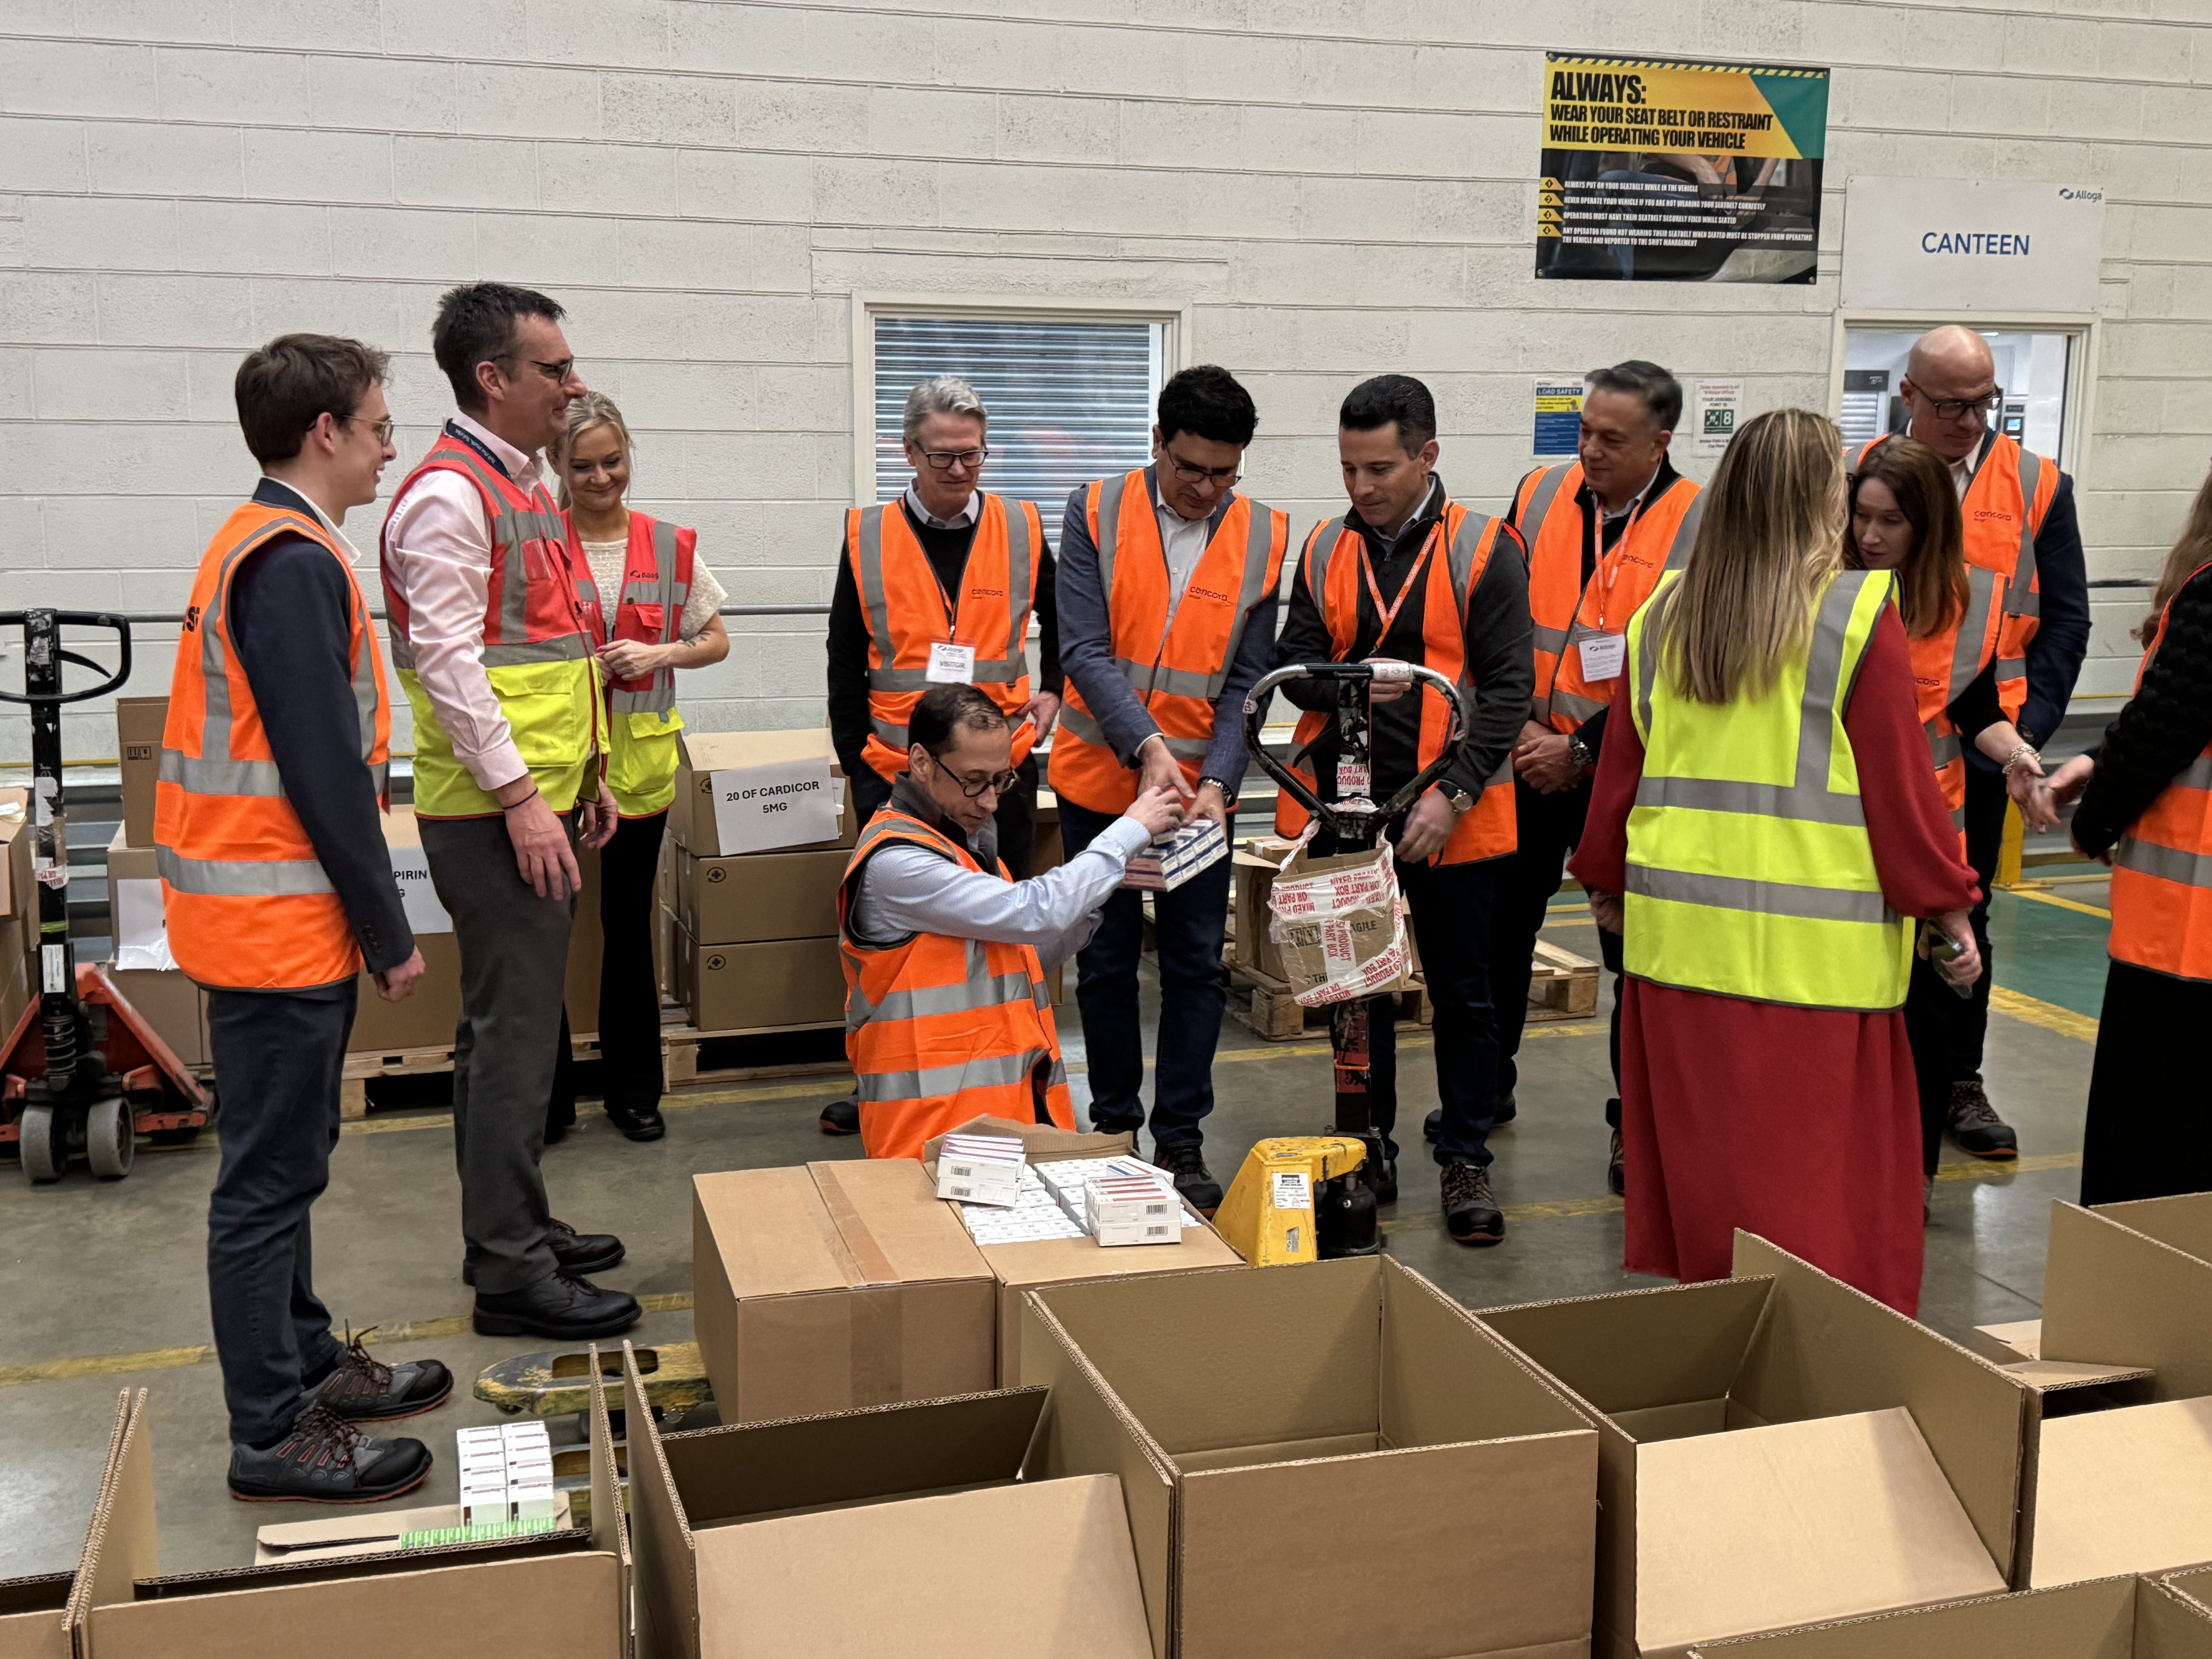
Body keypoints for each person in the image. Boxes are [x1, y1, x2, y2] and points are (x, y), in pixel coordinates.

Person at [1571, 409, 1982, 1316]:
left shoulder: (1662, 615)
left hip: (1679, 961)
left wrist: (1605, 881)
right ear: (1820, 499)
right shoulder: (1850, 615)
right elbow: (1900, 795)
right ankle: (1813, 1386)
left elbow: (1619, 779)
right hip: (1818, 975)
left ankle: (1724, 1355)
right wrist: (1948, 909)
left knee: (1713, 1187)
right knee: (1815, 1207)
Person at [158, 333, 447, 1502]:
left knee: (289, 1163)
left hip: (266, 917)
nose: (389, 448)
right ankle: (271, 1432)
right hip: (275, 924)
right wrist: (389, 931)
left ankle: (308, 1357)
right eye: (380, 428)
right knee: (267, 1181)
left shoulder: (266, 541)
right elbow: (326, 770)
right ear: (324, 433)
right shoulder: (288, 561)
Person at [380, 283, 638, 1342]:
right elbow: (449, 666)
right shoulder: (451, 496)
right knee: (511, 1034)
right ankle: (509, 1269)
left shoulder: (520, 480)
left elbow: (552, 646)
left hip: (535, 799)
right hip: (490, 815)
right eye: (554, 369)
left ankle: (519, 1223)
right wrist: (526, 799)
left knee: (529, 1036)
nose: (573, 386)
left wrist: (589, 772)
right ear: (492, 378)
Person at [1274, 374, 1533, 1246]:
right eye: (1348, 468)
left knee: (1465, 993)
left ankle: (1465, 1157)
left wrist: (1453, 792)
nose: (1361, 488)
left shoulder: (1487, 549)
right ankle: (1362, 1143)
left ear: (1428, 455)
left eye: (1379, 468)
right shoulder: (1321, 550)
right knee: (1357, 993)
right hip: (1348, 813)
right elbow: (1298, 661)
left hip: (1455, 815)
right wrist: (1361, 682)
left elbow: (1507, 689)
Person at [1050, 365, 1288, 1214]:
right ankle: (1113, 1127)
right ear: (1157, 443)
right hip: (1099, 780)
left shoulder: (1265, 533)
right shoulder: (1095, 510)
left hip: (1200, 807)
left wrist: (1220, 780)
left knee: (1195, 966)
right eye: (1190, 467)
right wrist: (1147, 748)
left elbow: (1247, 681)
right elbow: (1082, 648)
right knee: (1108, 962)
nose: (1206, 488)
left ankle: (1181, 1137)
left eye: (1225, 472)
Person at [1850, 325, 2090, 1162]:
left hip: (1983, 750)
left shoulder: (2036, 484)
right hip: (1874, 758)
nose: (1970, 420)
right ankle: (1879, 1083)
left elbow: (2066, 619)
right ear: (1908, 395)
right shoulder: (1862, 478)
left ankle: (1958, 1077)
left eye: (1984, 404)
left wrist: (2026, 739)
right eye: (1951, 404)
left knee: (1964, 915)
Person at [1479, 360, 1704, 1199]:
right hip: (1526, 758)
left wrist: (1582, 750)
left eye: (1613, 440)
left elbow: (1685, 667)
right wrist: (1527, 732)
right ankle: (1485, 1086)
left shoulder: (1699, 523)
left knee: (1632, 954)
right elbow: (1494, 616)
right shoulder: (1539, 494)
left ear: (1661, 442)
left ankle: (1633, 1126)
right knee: (1502, 933)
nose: (1591, 452)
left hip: (1628, 774)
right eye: (1585, 433)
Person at [820, 376, 1062, 1137]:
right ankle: (884, 1089)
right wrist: (860, 764)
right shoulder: (868, 534)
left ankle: (1002, 1079)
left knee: (1001, 930)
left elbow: (1064, 618)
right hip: (902, 779)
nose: (959, 471)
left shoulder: (1022, 526)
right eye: (942, 457)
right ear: (910, 452)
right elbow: (843, 656)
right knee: (902, 950)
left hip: (1001, 773)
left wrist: (1055, 688)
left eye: (972, 455)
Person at [839, 685, 1183, 1161]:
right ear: (920, 762)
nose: (990, 801)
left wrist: (1106, 891)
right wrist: (1127, 833)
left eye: (1001, 780)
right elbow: (1033, 913)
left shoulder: (965, 852)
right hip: (929, 1141)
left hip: (1005, 1129)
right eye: (973, 780)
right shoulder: (898, 863)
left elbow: (1017, 959)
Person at [542, 392, 730, 1146]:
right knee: (544, 938)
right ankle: (547, 1099)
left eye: (612, 461)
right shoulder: (532, 545)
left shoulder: (668, 544)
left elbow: (715, 638)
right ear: (556, 466)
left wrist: (662, 653)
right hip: (553, 772)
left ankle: (633, 1092)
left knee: (627, 933)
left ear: (630, 457)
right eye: (581, 465)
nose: (600, 477)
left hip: (640, 773)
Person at [2046, 466, 2212, 1205]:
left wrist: (2095, 817)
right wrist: (2095, 758)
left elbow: (2165, 721)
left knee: (2149, 1162)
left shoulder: (2209, 595)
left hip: (2183, 943)